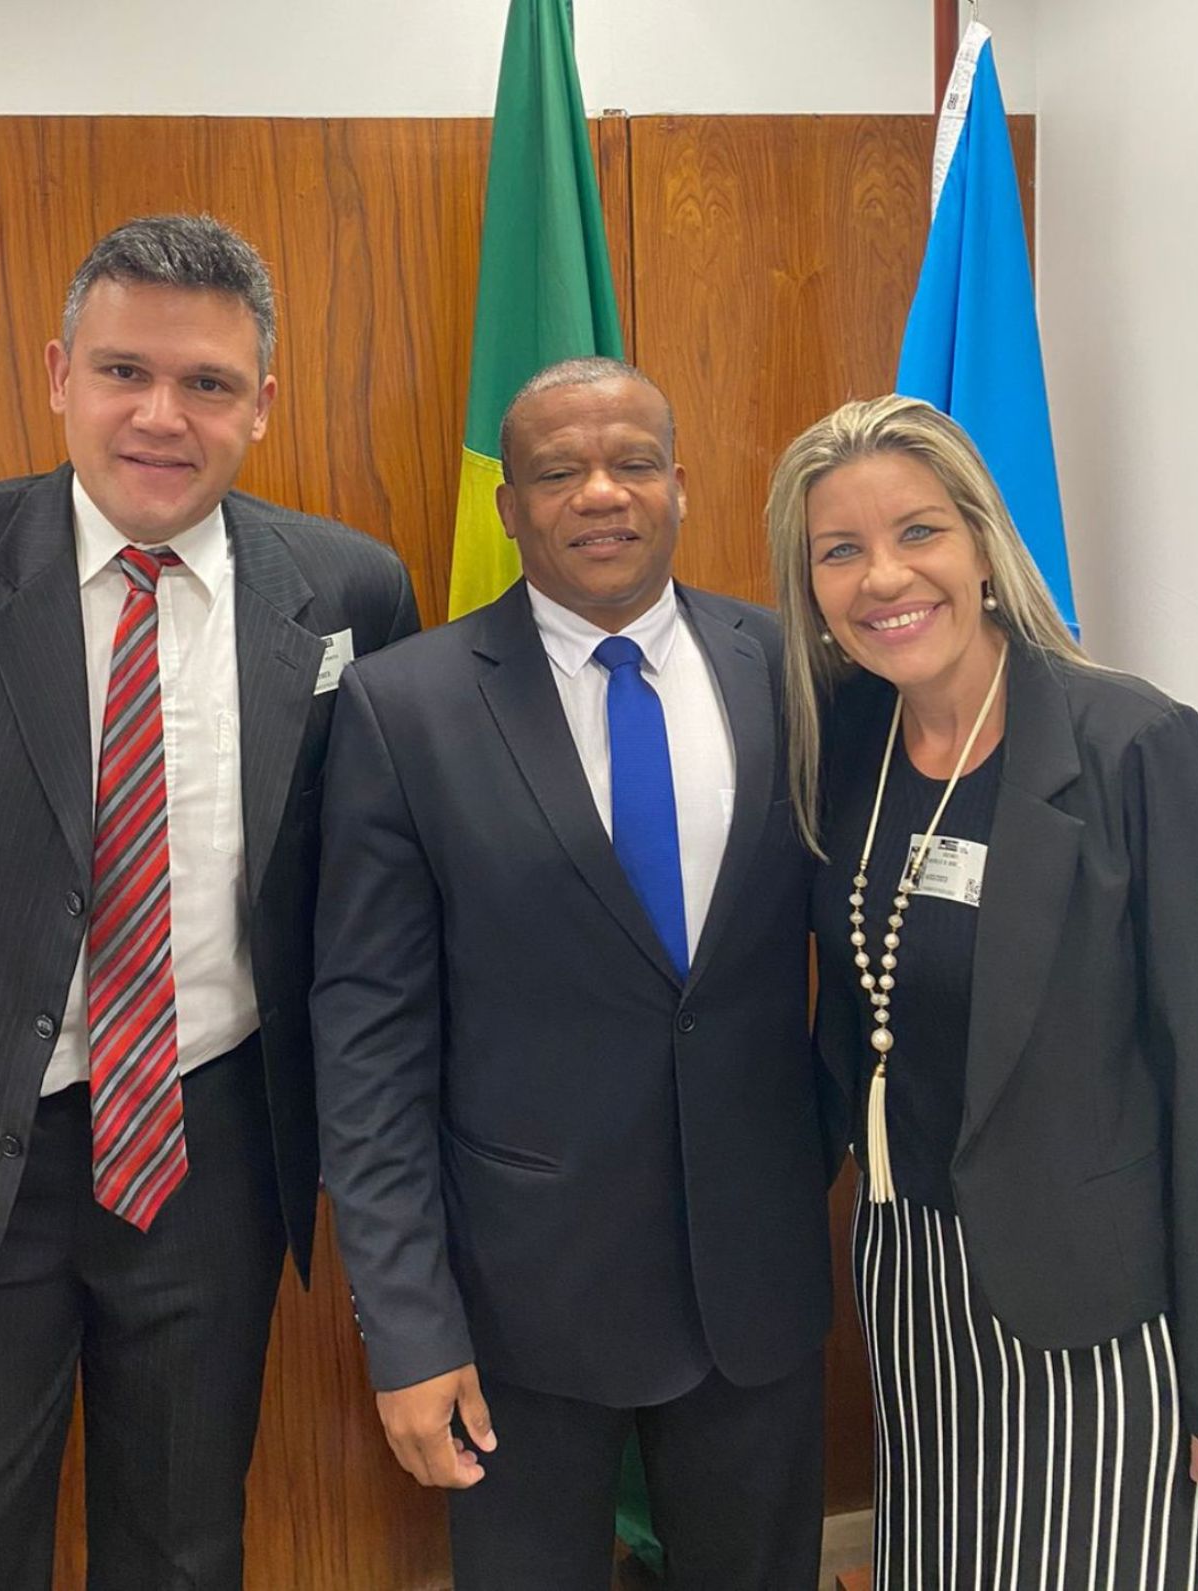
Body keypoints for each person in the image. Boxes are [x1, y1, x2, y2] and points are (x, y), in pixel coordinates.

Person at [0, 213, 418, 1590]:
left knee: (184, 1548)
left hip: (211, 1153)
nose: (161, 415)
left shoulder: (351, 590)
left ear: (263, 402)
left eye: (206, 382)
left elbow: (373, 897)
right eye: (125, 370)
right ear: (58, 372)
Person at [311, 357, 835, 1590]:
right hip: (518, 1310)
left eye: (633, 463)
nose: (602, 493)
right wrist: (408, 1325)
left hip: (757, 1283)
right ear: (509, 507)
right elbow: (369, 1042)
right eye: (559, 472)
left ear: (680, 485)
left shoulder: (795, 668)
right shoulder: (406, 707)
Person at [767, 393, 1198, 1588]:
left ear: (983, 543)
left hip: (1102, 1307)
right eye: (839, 550)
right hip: (913, 1283)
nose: (883, 576)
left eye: (918, 531)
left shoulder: (1139, 749)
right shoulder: (845, 742)